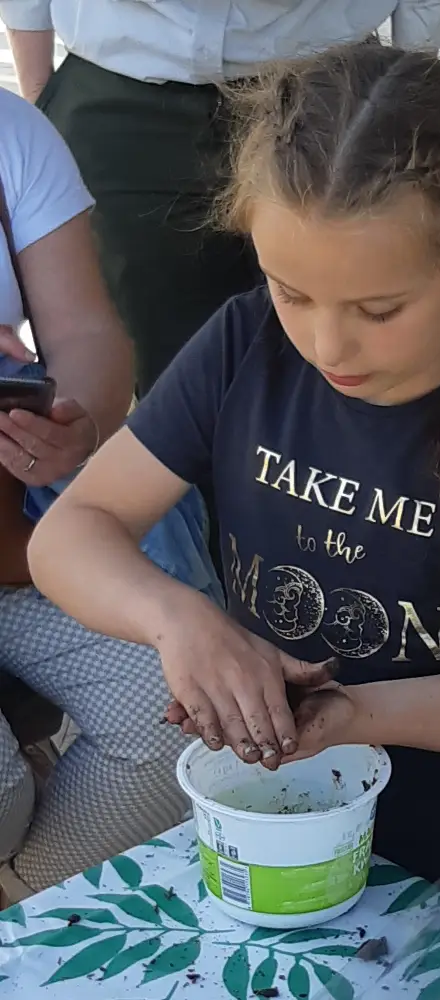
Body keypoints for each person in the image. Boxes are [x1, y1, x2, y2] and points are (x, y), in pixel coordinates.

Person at [29, 42, 440, 887]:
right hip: (251, 818)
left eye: (380, 310)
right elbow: (70, 536)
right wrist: (182, 621)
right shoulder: (245, 344)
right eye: (291, 290)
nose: (327, 345)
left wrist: (351, 716)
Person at [0, 1, 440, 393]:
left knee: (354, 371)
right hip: (122, 94)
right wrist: (38, 99)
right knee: (169, 383)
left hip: (328, 87)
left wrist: (405, 75)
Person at [0, 85, 222, 902]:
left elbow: (89, 335)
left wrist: (77, 423)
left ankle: (20, 911)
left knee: (186, 721)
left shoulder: (10, 131)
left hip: (18, 539)